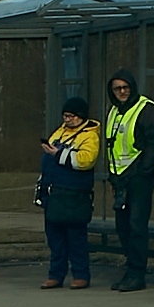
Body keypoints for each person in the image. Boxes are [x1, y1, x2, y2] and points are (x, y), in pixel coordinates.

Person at [104, 68, 154, 292]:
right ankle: (131, 270)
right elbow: (112, 148)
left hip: (140, 176)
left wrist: (143, 171)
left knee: (137, 225)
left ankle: (137, 274)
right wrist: (114, 178)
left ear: (132, 87)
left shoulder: (146, 108)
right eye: (117, 88)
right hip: (121, 177)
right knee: (123, 226)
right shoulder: (114, 111)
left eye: (125, 87)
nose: (122, 92)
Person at [37, 96, 100, 289]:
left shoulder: (89, 136)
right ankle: (56, 275)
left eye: (72, 116)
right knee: (55, 238)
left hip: (75, 194)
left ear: (81, 116)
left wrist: (58, 154)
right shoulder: (60, 132)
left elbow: (85, 160)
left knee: (76, 238)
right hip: (54, 194)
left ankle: (81, 275)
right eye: (65, 116)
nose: (68, 120)